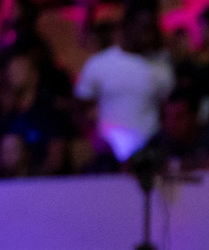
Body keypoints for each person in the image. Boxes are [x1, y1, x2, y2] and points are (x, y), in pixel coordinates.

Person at [74, 3, 174, 164]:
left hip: (151, 157)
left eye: (151, 28)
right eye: (143, 27)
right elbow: (79, 109)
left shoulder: (162, 65)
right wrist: (93, 136)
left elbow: (168, 111)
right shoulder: (99, 64)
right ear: (128, 26)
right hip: (108, 158)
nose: (147, 35)